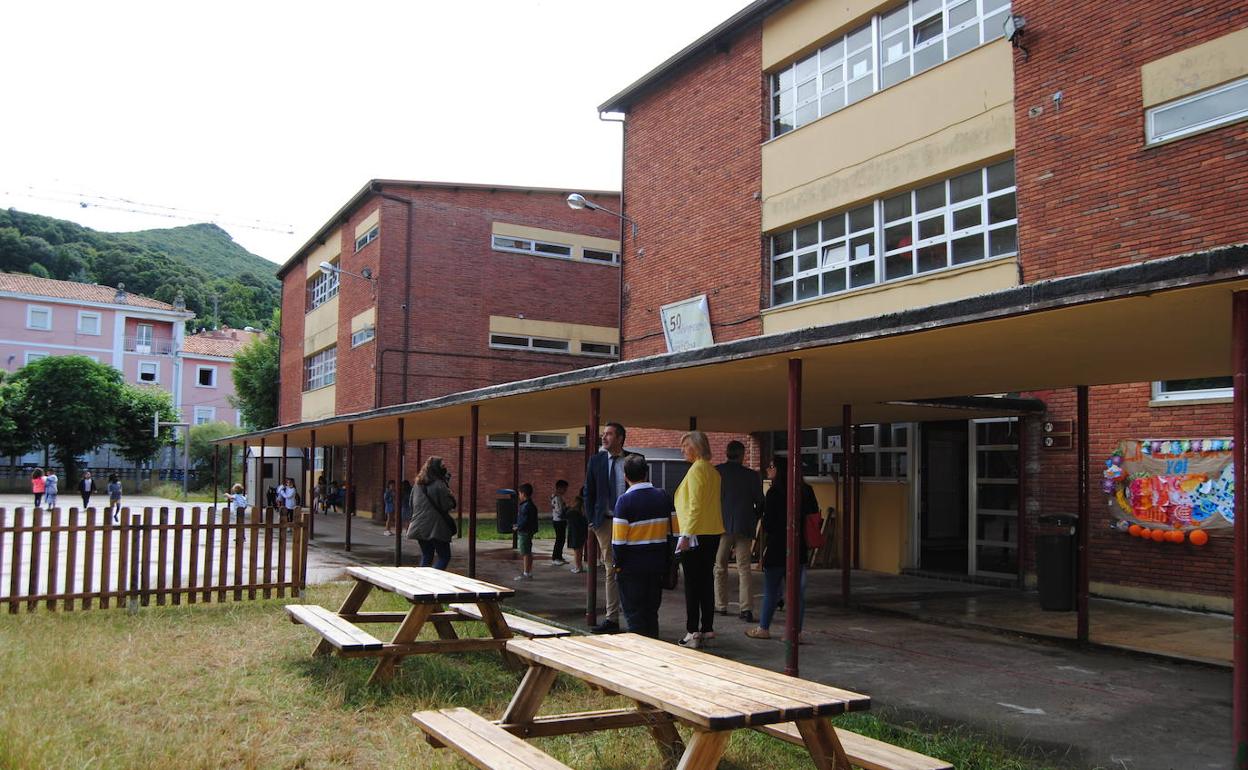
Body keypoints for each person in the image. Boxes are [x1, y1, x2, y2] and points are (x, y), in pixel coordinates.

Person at [747, 455, 819, 641]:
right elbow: (814, 517)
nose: (768, 470)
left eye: (771, 466)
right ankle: (795, 632)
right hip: (799, 547)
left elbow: (769, 524)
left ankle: (764, 628)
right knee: (797, 593)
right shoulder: (806, 490)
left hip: (777, 547)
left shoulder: (773, 493)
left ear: (780, 470)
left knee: (772, 589)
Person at [582, 421, 641, 633]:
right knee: (611, 567)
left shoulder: (634, 460)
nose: (604, 438)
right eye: (603, 434)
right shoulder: (596, 461)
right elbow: (588, 491)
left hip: (630, 522)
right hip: (605, 522)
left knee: (631, 567)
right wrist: (592, 519)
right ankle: (612, 618)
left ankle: (635, 616)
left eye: (609, 434)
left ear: (620, 438)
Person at [611, 455, 674, 639]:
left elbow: (618, 541)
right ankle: (654, 652)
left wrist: (618, 565)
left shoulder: (624, 502)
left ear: (625, 476)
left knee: (634, 616)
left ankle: (640, 658)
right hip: (656, 566)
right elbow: (673, 532)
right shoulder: (663, 496)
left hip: (631, 568)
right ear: (646, 473)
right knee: (651, 614)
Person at [673, 430, 724, 649]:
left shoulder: (696, 471)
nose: (682, 450)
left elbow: (695, 506)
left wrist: (686, 534)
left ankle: (692, 631)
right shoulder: (712, 471)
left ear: (695, 447)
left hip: (695, 533)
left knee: (692, 585)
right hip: (712, 532)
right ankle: (707, 627)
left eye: (685, 446)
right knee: (705, 582)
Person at [715, 440, 764, 623]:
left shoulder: (718, 472)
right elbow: (760, 501)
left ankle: (721, 605)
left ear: (727, 453)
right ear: (742, 455)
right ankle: (746, 608)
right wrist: (754, 518)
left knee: (720, 566)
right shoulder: (752, 476)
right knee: (744, 569)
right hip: (745, 525)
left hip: (723, 525)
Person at [408, 456, 457, 570]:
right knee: (444, 556)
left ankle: (421, 581)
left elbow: (411, 504)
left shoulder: (417, 484)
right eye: (442, 466)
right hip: (436, 527)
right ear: (437, 468)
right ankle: (433, 580)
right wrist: (449, 492)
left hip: (418, 526)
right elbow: (447, 505)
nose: (445, 468)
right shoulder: (439, 484)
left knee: (427, 555)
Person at [513, 483, 539, 581]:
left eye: (519, 494)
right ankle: (528, 572)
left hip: (525, 532)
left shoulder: (526, 506)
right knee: (527, 552)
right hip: (528, 531)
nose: (519, 496)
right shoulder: (530, 505)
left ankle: (526, 573)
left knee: (525, 552)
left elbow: (525, 520)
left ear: (523, 494)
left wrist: (517, 527)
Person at [564, 493, 587, 574]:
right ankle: (579, 566)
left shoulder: (572, 512)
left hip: (574, 534)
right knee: (580, 551)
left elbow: (562, 515)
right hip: (581, 534)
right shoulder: (582, 513)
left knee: (576, 552)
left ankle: (578, 566)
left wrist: (567, 507)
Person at [549, 479, 569, 566]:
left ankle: (559, 556)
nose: (565, 490)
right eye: (564, 488)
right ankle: (555, 557)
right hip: (559, 521)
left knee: (561, 539)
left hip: (559, 520)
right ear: (559, 488)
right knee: (559, 540)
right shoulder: (557, 498)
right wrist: (566, 510)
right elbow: (560, 511)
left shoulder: (556, 497)